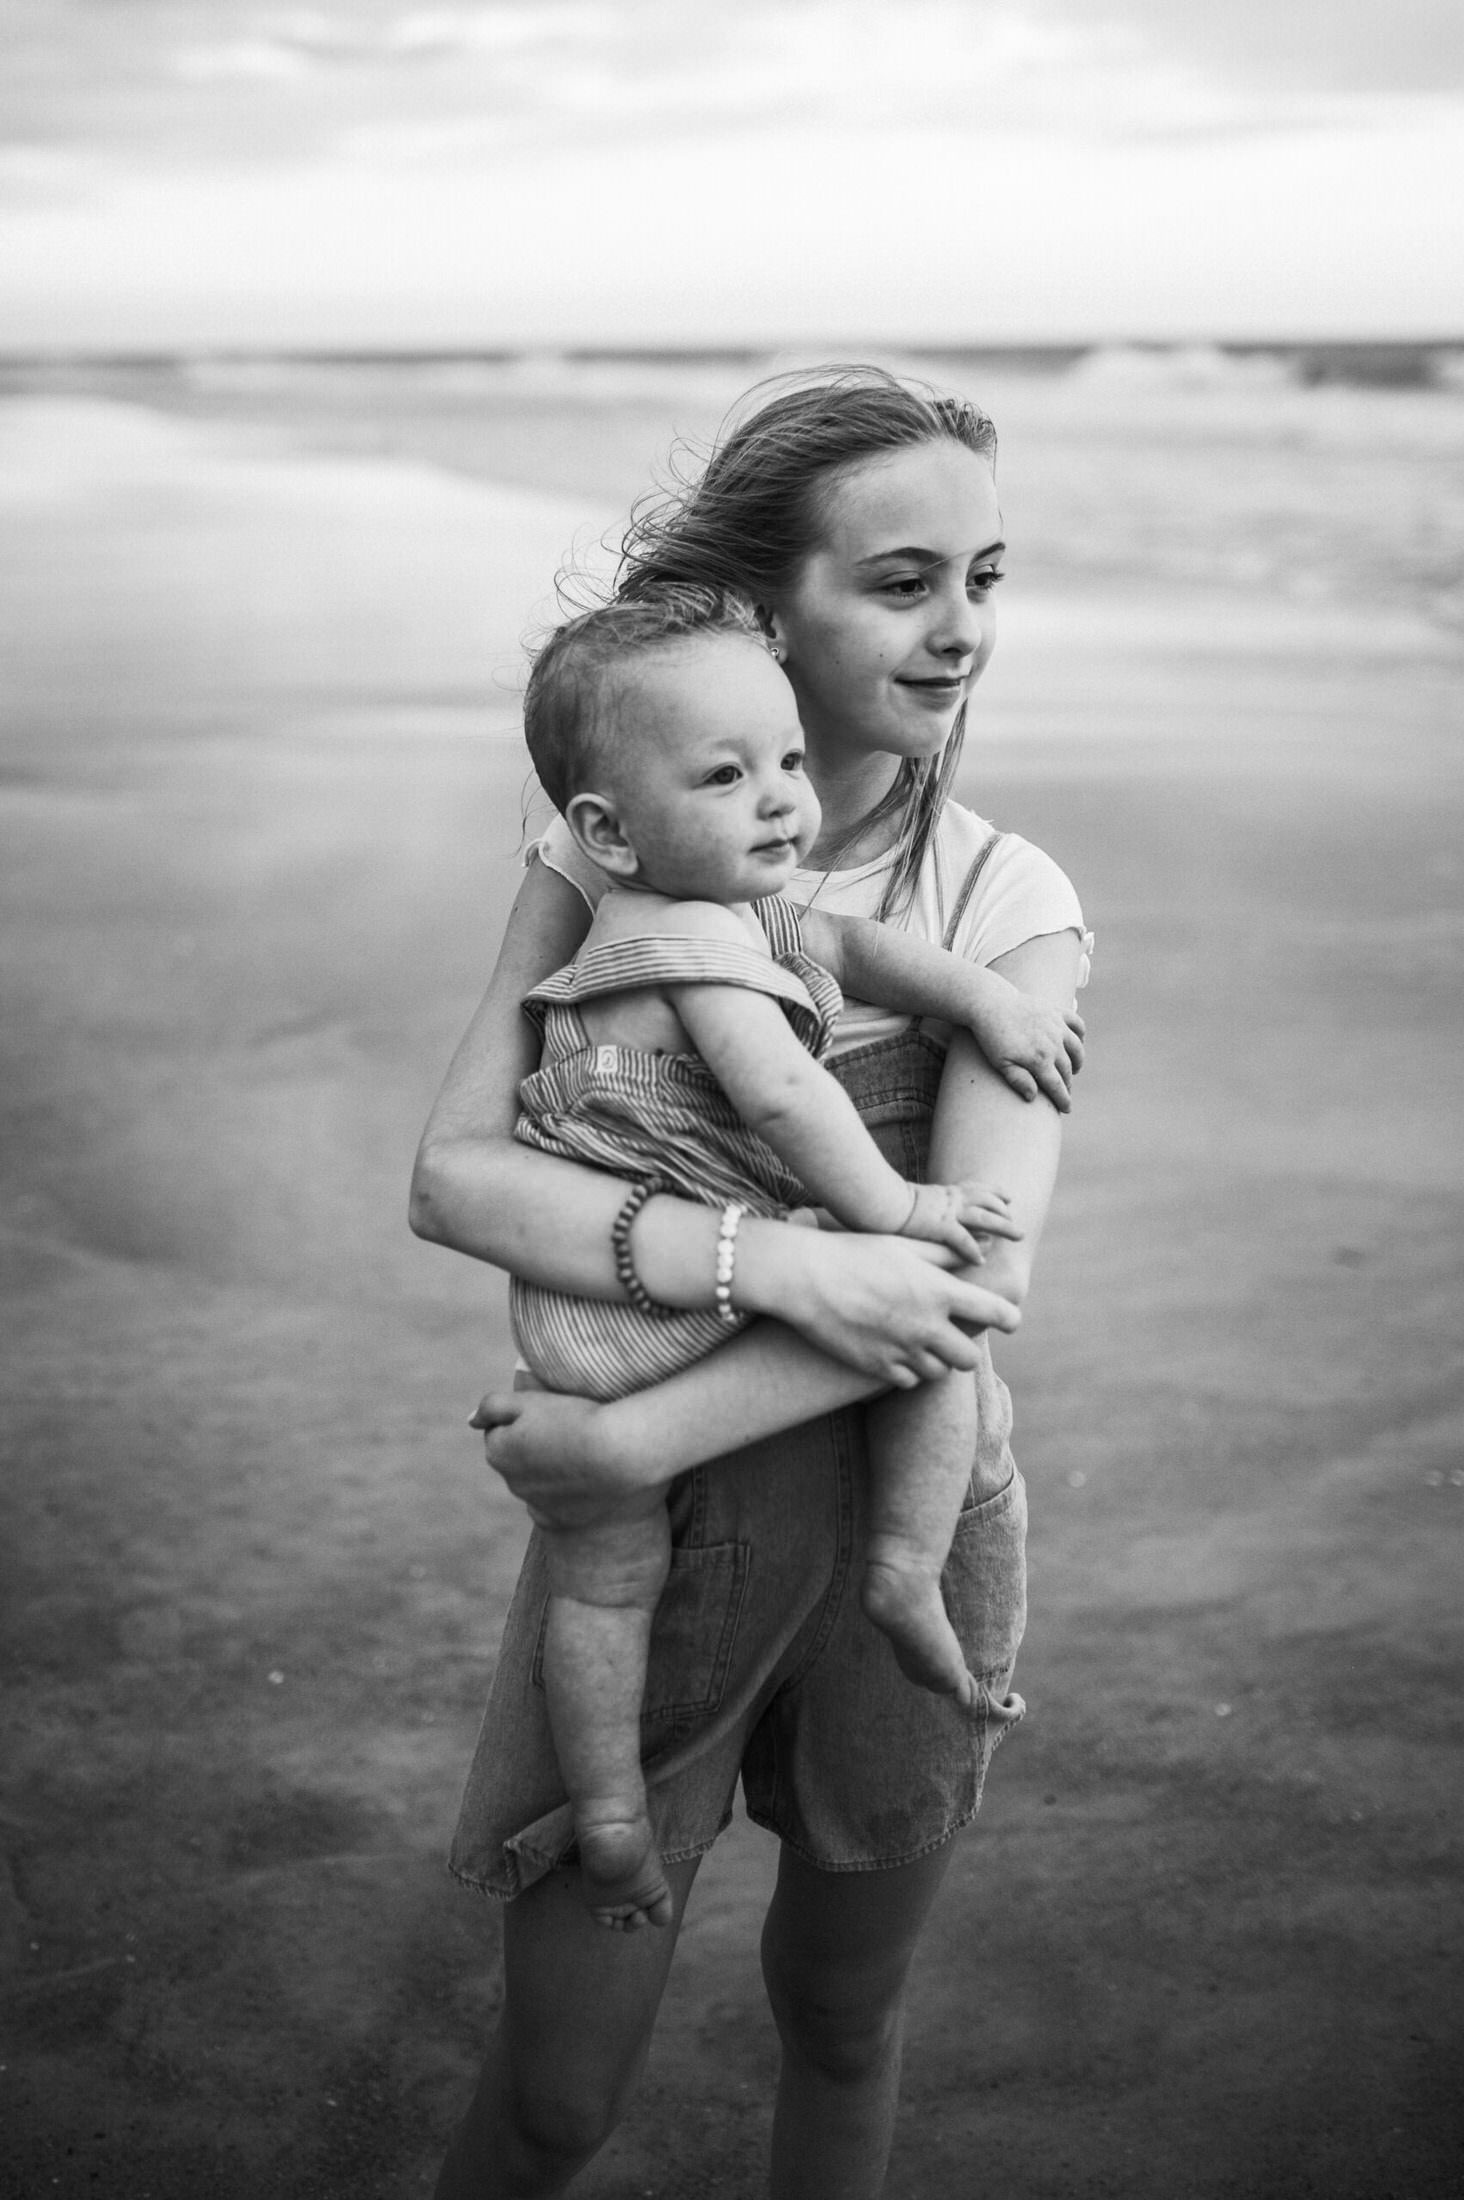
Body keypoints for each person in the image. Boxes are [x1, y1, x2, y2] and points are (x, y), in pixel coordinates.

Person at [410, 365, 1091, 2200]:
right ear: (763, 611)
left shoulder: (999, 908)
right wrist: (778, 1259)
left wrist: (636, 1442)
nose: (961, 630)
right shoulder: (609, 853)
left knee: (845, 2018)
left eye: (989, 576)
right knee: (557, 2095)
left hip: (904, 1526)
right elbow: (454, 1178)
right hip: (656, 1553)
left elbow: (964, 1289)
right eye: (900, 581)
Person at [505, 582, 1084, 1936]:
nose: (779, 801)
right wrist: (890, 1212)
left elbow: (859, 946)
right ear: (608, 831)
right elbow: (781, 1100)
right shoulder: (693, 941)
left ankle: (605, 1810)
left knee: (604, 1581)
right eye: (726, 776)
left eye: (780, 764)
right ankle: (901, 1559)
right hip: (676, 1300)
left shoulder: (720, 906)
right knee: (931, 1314)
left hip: (574, 1312)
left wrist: (986, 994)